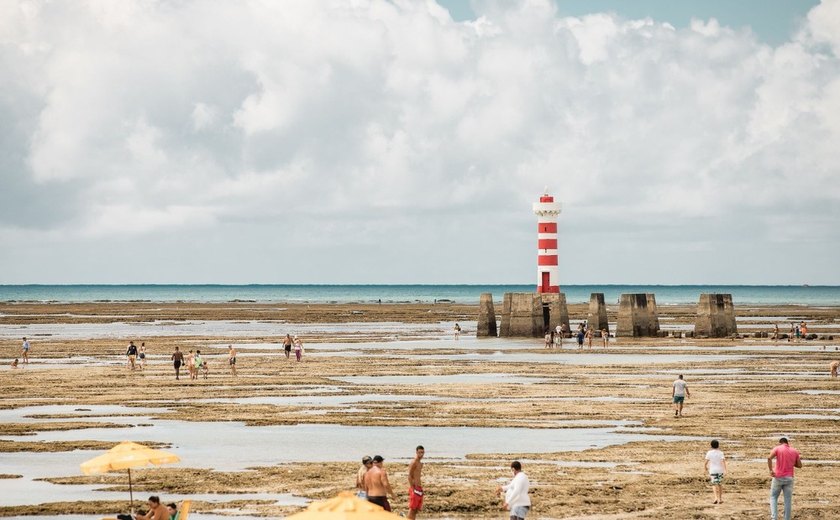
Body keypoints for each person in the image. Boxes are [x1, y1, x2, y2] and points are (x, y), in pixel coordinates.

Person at [768, 437, 802, 520]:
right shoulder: (794, 451)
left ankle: (774, 518)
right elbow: (799, 465)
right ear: (787, 443)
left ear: (780, 443)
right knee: (787, 500)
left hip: (778, 477)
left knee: (773, 497)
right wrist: (790, 462)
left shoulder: (777, 448)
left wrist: (771, 470)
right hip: (789, 478)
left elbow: (769, 458)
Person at [704, 440, 727, 504]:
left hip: (712, 470)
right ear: (718, 445)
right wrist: (725, 470)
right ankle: (720, 499)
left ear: (711, 446)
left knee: (714, 484)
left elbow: (706, 462)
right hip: (720, 470)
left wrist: (705, 467)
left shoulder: (709, 453)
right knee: (719, 484)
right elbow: (723, 462)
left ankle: (715, 498)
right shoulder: (720, 453)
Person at [408, 445, 425, 519]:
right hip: (415, 488)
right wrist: (412, 488)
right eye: (419, 452)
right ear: (416, 452)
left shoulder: (420, 463)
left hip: (419, 488)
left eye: (422, 452)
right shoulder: (414, 462)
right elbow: (409, 476)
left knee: (416, 510)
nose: (421, 454)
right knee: (412, 509)